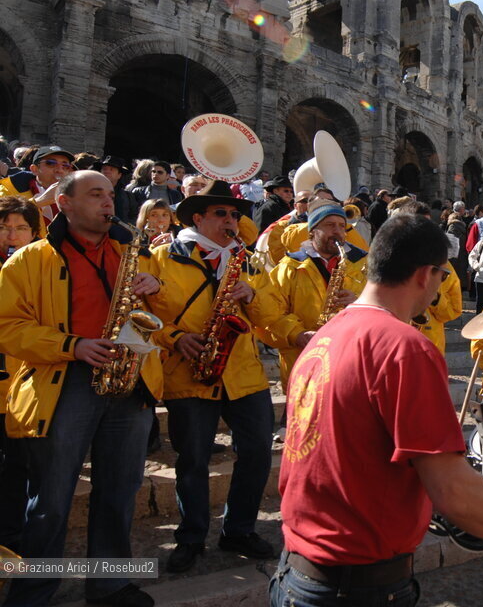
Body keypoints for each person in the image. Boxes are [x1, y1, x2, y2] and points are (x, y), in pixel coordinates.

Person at [270, 214, 483, 607]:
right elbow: (451, 490)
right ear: (425, 274)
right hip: (354, 588)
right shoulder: (403, 347)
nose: (440, 286)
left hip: (297, 571)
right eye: (442, 276)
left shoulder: (326, 334)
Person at [0, 171, 162, 607]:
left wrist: (155, 288)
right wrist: (72, 346)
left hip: (126, 379)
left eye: (110, 195)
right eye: (95, 195)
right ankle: (31, 593)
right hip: (64, 380)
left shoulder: (133, 253)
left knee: (119, 492)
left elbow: (159, 317)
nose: (109, 204)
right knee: (50, 500)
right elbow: (7, 328)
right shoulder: (28, 259)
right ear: (65, 204)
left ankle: (110, 584)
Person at [144, 180, 297, 574]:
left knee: (258, 453)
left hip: (243, 372)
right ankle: (191, 536)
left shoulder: (246, 259)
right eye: (221, 214)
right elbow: (144, 319)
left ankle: (239, 529)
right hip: (189, 371)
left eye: (234, 214)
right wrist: (175, 339)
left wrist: (252, 295)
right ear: (198, 217)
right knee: (192, 460)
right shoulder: (163, 256)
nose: (231, 221)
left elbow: (268, 317)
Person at [256, 199, 367, 441]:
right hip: (303, 359)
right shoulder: (289, 266)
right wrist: (297, 334)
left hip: (351, 360)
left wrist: (358, 302)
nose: (337, 231)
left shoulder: (363, 263)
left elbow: (387, 306)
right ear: (312, 230)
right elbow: (268, 314)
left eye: (341, 225)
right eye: (329, 225)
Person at [0, 195, 41, 554]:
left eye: (20, 228)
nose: (11, 235)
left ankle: (11, 545)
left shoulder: (40, 269)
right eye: (4, 227)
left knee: (17, 471)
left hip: (23, 389)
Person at [389, 200, 462, 354]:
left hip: (430, 347)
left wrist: (435, 298)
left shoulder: (443, 265)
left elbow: (454, 310)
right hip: (392, 346)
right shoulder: (384, 261)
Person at [0, 145, 75, 234]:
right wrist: (39, 202)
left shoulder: (75, 194)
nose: (59, 170)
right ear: (34, 169)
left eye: (65, 166)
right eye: (50, 163)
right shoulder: (10, 189)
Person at [94, 155, 138, 224]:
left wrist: (124, 227)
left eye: (111, 169)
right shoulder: (92, 193)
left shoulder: (128, 197)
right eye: (104, 169)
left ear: (119, 175)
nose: (107, 171)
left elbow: (134, 216)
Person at [446, 201, 469, 284]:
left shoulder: (453, 226)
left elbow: (451, 241)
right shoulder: (460, 224)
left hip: (455, 255)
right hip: (460, 253)